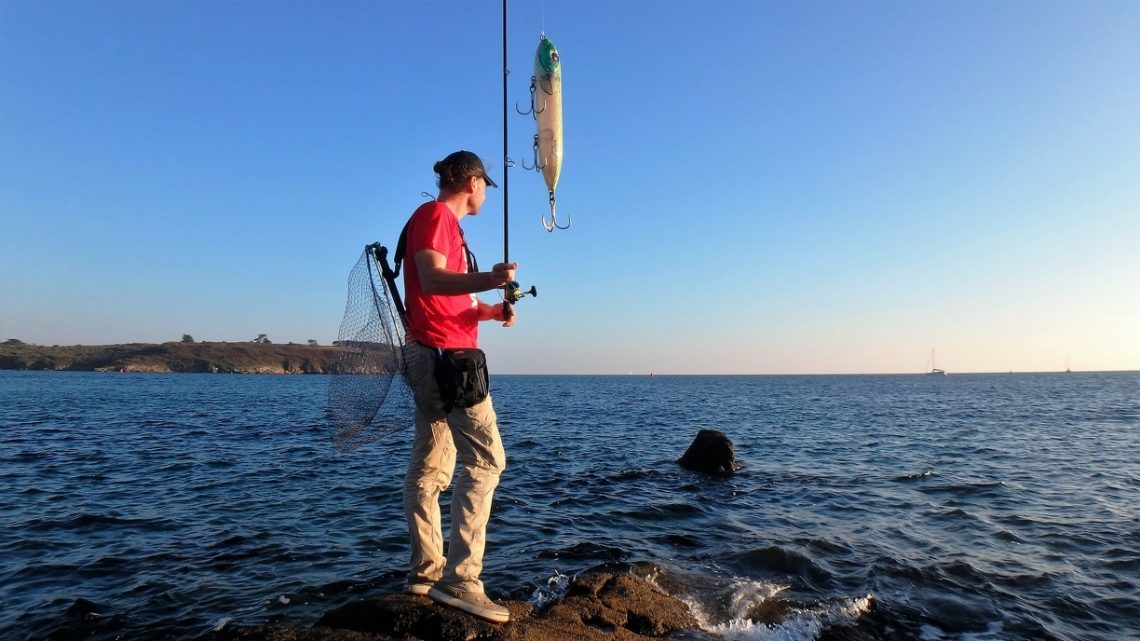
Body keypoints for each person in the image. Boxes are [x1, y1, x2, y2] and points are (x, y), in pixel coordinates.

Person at [400, 150, 517, 624]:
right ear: (470, 181)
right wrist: (489, 278)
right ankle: (461, 580)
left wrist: (489, 309)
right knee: (487, 461)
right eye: (485, 183)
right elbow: (430, 279)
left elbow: (446, 299)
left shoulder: (447, 227)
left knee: (431, 465)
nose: (487, 191)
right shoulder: (434, 216)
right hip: (449, 361)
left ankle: (425, 573)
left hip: (432, 355)